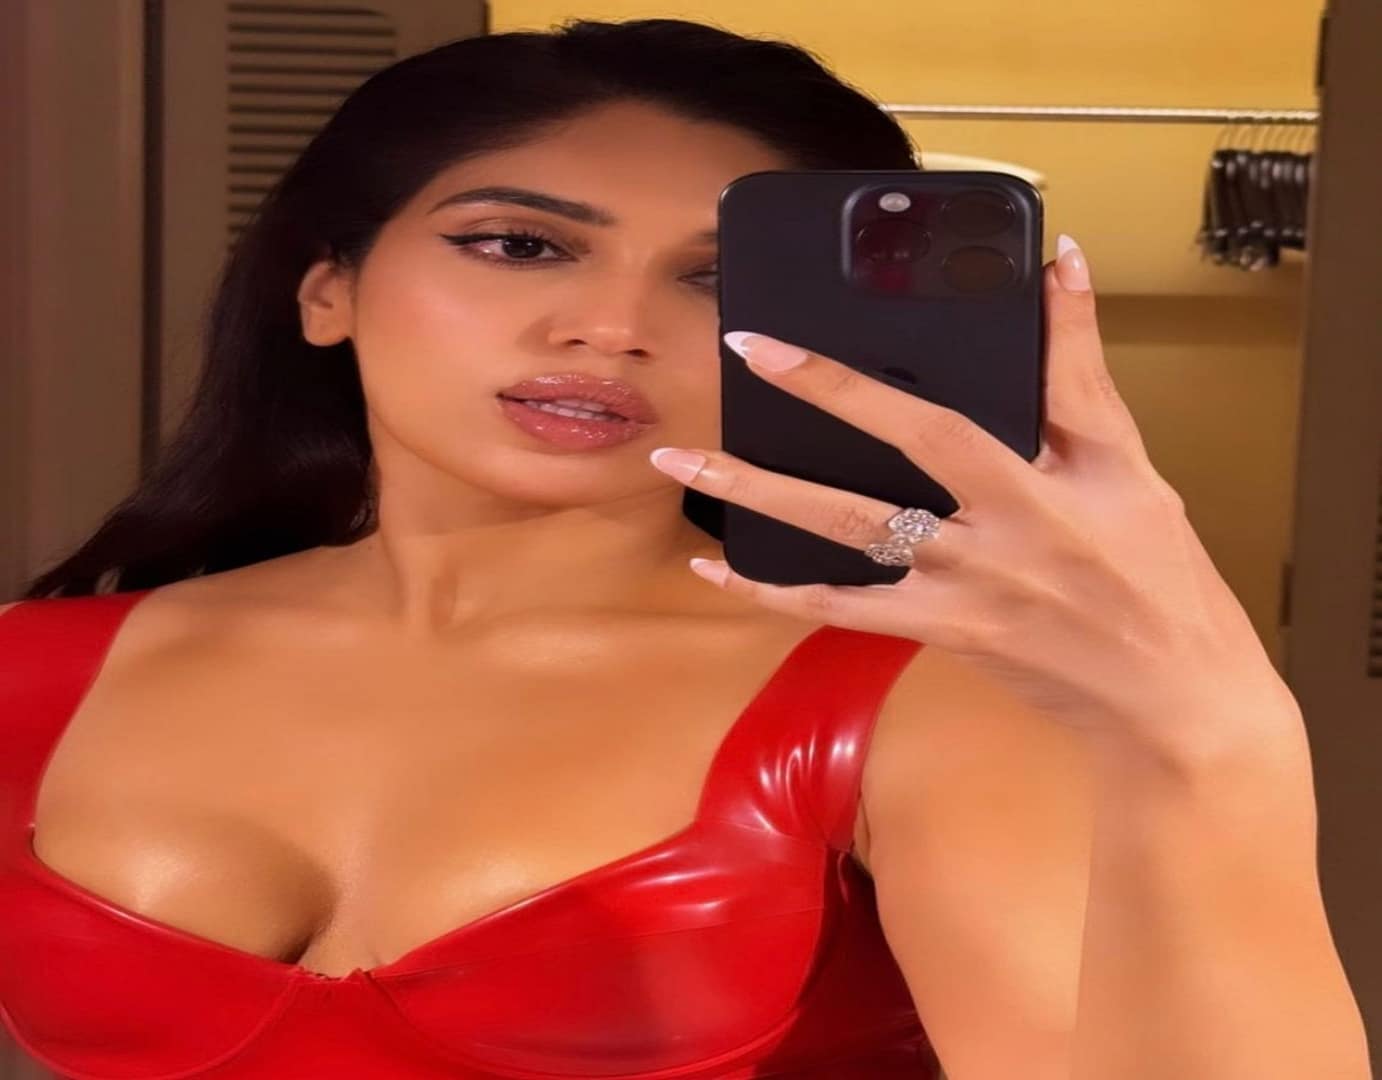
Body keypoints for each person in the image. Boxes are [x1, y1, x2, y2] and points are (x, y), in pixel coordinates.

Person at [1, 17, 1366, 1080]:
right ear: (327, 289)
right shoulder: (32, 670)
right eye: (518, 245)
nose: (610, 328)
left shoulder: (920, 695)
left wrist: (1216, 736)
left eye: (716, 277)